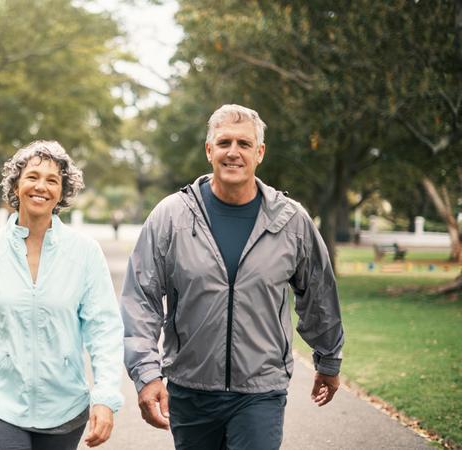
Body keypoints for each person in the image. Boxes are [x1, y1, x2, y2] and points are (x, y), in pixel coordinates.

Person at [120, 104, 344, 449]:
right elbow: (141, 298)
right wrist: (147, 374)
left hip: (261, 390)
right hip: (191, 389)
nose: (233, 152)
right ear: (209, 150)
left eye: (244, 143)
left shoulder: (291, 221)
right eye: (224, 142)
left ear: (260, 152)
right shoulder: (172, 216)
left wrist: (328, 358)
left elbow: (319, 294)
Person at [0, 140, 124, 450]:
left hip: (64, 405)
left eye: (52, 180)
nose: (41, 186)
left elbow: (103, 330)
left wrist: (105, 397)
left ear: (62, 192)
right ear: (16, 185)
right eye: (32, 176)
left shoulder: (85, 253)